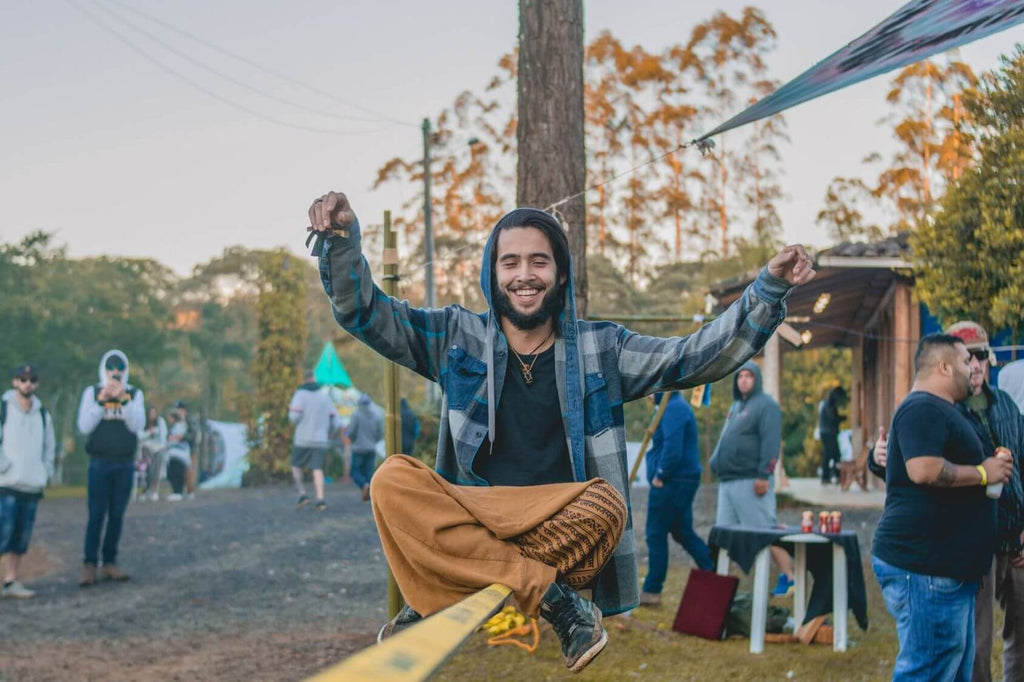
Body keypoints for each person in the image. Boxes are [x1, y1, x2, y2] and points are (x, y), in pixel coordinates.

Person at [306, 190, 813, 671]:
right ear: (493, 273)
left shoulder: (602, 348)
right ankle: (551, 598)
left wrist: (766, 290)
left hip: (557, 521)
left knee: (608, 505)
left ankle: (445, 584)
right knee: (393, 478)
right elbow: (367, 313)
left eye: (539, 261)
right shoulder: (457, 337)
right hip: (479, 511)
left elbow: (690, 358)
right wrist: (341, 244)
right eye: (511, 262)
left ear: (561, 274)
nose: (524, 275)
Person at [871, 334, 1013, 681]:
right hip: (926, 569)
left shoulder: (943, 410)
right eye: (967, 361)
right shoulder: (922, 407)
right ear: (944, 366)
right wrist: (982, 473)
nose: (974, 368)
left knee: (951, 671)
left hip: (946, 569)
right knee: (928, 672)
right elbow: (923, 469)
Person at [709, 361, 795, 597]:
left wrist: (764, 475)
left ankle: (790, 577)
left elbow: (771, 442)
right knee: (724, 536)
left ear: (756, 379)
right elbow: (726, 439)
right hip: (728, 482)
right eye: (740, 376)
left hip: (752, 482)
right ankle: (720, 592)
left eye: (748, 376)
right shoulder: (736, 406)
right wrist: (716, 462)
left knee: (764, 532)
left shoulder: (766, 406)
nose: (744, 380)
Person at [77, 350, 145, 586]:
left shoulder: (135, 394)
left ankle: (109, 562)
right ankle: (89, 564)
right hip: (99, 462)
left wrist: (124, 399)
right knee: (96, 514)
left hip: (124, 462)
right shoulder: (92, 392)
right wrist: (101, 401)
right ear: (103, 370)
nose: (115, 373)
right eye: (110, 368)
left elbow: (137, 425)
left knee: (117, 515)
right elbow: (84, 426)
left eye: (120, 368)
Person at [639, 391, 713, 607]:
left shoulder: (673, 408)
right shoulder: (671, 407)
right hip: (680, 479)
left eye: (652, 388)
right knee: (683, 532)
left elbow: (673, 447)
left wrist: (661, 474)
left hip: (672, 480)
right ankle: (711, 570)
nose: (648, 393)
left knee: (655, 533)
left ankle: (652, 590)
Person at [0, 364, 56, 599]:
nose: (27, 384)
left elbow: (49, 447)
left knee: (21, 536)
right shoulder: (4, 408)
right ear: (15, 382)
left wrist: (45, 472)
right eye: (23, 379)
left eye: (32, 379)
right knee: (4, 531)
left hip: (32, 484)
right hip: (7, 483)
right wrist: (4, 466)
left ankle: (11, 580)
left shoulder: (43, 415)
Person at [288, 370, 339, 511]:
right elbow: (335, 420)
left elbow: (293, 417)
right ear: (314, 380)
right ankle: (320, 499)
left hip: (302, 439)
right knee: (317, 469)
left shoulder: (300, 395)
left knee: (296, 466)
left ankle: (303, 494)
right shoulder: (325, 397)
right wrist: (329, 433)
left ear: (304, 380)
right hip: (321, 439)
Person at [347, 393, 384, 502]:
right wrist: (373, 441)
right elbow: (380, 433)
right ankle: (370, 493)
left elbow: (351, 432)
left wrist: (353, 439)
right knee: (369, 472)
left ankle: (364, 485)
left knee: (355, 472)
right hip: (371, 448)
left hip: (358, 448)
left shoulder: (356, 415)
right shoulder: (377, 416)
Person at [818, 386, 846, 484]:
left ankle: (836, 475)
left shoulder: (827, 405)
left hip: (828, 432)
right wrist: (841, 418)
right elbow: (832, 419)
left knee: (834, 455)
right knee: (829, 455)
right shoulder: (827, 405)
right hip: (828, 433)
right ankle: (828, 476)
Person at [138, 406, 167, 501]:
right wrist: (149, 433)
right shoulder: (143, 423)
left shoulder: (160, 422)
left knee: (157, 464)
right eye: (151, 413)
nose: (153, 415)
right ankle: (145, 489)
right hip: (145, 450)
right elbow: (139, 436)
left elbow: (163, 439)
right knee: (147, 465)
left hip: (157, 449)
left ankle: (153, 490)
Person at [164, 408, 191, 502]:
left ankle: (178, 492)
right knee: (171, 473)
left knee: (177, 473)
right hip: (172, 453)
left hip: (179, 454)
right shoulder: (173, 427)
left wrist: (172, 438)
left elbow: (180, 436)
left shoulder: (181, 425)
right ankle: (175, 491)